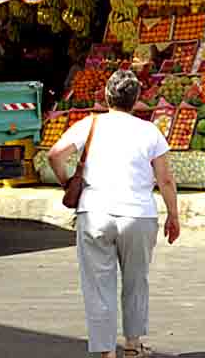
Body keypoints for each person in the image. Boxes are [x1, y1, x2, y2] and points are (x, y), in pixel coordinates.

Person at [47, 70, 181, 358]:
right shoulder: (149, 131)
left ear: (106, 96)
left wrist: (67, 182)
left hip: (95, 212)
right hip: (139, 216)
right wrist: (173, 214)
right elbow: (166, 179)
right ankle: (133, 346)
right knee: (136, 281)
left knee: (98, 285)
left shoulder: (89, 125)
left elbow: (54, 154)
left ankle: (104, 351)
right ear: (136, 100)